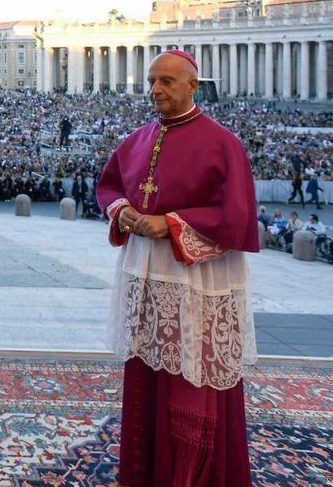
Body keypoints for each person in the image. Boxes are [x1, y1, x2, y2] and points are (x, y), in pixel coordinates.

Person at [96, 50, 257, 487]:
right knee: (146, 379)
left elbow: (236, 217)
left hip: (194, 280)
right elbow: (108, 185)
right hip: (145, 278)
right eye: (152, 81)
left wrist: (169, 224)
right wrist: (122, 211)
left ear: (193, 84)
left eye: (167, 81)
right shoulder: (137, 139)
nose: (155, 90)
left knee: (193, 382)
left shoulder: (223, 143)